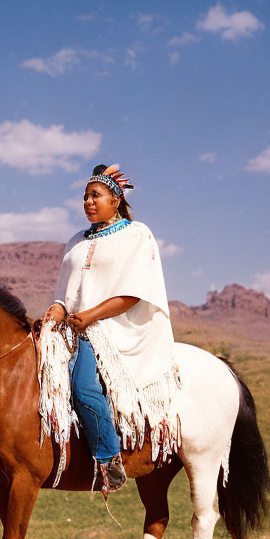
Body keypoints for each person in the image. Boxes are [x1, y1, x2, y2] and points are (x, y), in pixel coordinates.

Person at [43, 164, 182, 498]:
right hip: (72, 327)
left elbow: (135, 292)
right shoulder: (76, 242)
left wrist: (91, 316)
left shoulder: (136, 235)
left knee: (84, 386)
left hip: (111, 329)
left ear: (116, 200)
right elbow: (67, 293)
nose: (88, 202)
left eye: (96, 195)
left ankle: (108, 459)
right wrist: (57, 309)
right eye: (85, 197)